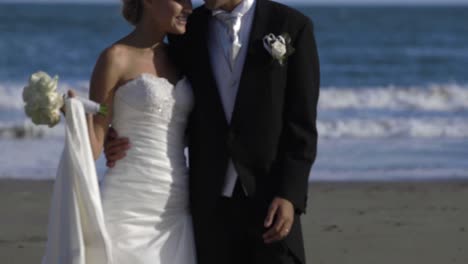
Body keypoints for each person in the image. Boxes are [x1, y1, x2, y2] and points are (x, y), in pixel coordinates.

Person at [105, 0, 320, 263]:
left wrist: (289, 194)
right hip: (207, 203)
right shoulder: (188, 30)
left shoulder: (292, 26)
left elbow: (302, 125)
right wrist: (116, 132)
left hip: (270, 200)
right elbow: (163, 96)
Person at [43, 0, 196, 263]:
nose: (189, 7)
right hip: (128, 205)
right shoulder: (115, 58)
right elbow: (94, 146)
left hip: (176, 207)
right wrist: (75, 117)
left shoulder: (185, 58)